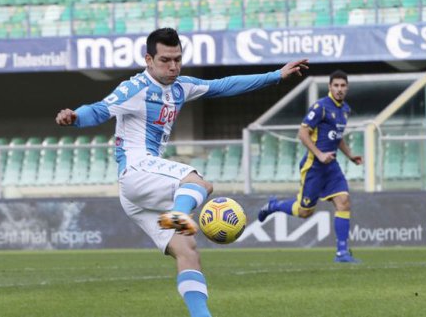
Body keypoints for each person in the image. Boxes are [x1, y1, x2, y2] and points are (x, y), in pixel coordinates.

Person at [56, 27, 308, 317]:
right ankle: (179, 214)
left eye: (177, 59)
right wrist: (75, 117)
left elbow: (225, 85)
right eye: (165, 60)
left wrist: (276, 75)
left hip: (138, 195)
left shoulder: (180, 86)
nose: (173, 66)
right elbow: (100, 110)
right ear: (148, 59)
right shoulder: (135, 88)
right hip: (136, 169)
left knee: (188, 252)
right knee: (197, 182)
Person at [257, 70, 362, 263]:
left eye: (343, 86)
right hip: (313, 166)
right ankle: (274, 205)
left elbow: (337, 138)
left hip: (332, 167)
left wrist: (350, 156)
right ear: (330, 87)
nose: (339, 89)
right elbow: (302, 134)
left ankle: (342, 253)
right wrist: (320, 154)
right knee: (304, 212)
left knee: (344, 202)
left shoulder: (345, 110)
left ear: (347, 88)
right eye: (336, 85)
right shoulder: (320, 107)